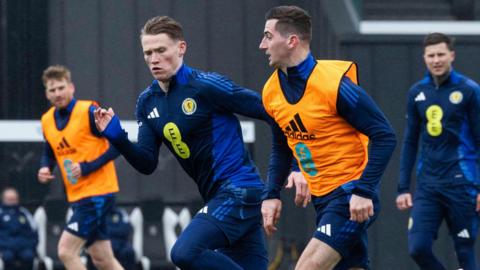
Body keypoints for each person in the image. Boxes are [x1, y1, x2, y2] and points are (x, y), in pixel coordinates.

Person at [93, 15, 283, 270]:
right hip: (217, 197)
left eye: (161, 50)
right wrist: (117, 136)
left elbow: (274, 114)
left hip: (240, 191)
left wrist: (287, 173)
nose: (154, 59)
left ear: (181, 48)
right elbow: (147, 162)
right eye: (148, 52)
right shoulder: (147, 102)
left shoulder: (206, 86)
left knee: (184, 252)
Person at [259, 6, 397, 270]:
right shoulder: (271, 91)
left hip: (350, 196)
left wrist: (363, 191)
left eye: (268, 36)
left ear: (291, 41)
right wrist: (271, 194)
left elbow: (384, 135)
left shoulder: (335, 85)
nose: (262, 44)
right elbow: (281, 147)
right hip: (323, 199)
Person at [396, 32, 480, 270]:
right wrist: (403, 187)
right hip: (428, 186)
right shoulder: (417, 93)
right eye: (431, 55)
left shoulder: (469, 90)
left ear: (451, 55)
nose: (436, 60)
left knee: (464, 251)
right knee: (417, 247)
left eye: (441, 54)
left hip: (462, 184)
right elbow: (410, 141)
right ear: (424, 58)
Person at [37, 65, 124, 270]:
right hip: (78, 196)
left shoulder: (89, 111)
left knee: (66, 251)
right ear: (46, 93)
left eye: (61, 87)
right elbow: (49, 150)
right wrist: (45, 168)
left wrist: (87, 167)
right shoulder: (47, 120)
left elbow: (120, 144)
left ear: (71, 87)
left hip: (97, 193)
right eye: (52, 90)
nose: (57, 93)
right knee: (103, 259)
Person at [0, 187, 38, 270]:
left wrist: (30, 246)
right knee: (7, 257)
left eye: (14, 199)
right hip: (5, 248)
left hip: (24, 248)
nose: (12, 202)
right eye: (9, 199)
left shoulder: (24, 213)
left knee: (29, 256)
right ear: (3, 199)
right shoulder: (1, 213)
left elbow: (34, 232)